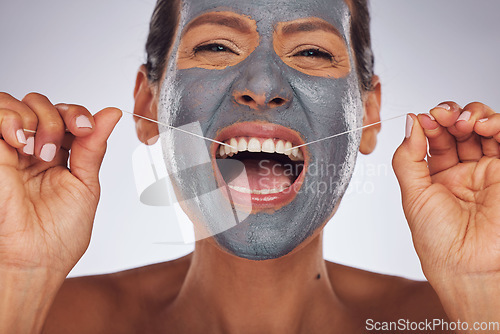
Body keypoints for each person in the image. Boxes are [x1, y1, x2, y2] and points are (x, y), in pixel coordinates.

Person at [1, 0, 499, 333]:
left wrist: (481, 290)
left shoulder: (454, 320)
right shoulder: (50, 316)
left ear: (368, 115)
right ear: (148, 102)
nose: (262, 86)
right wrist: (18, 275)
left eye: (311, 51)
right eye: (216, 46)